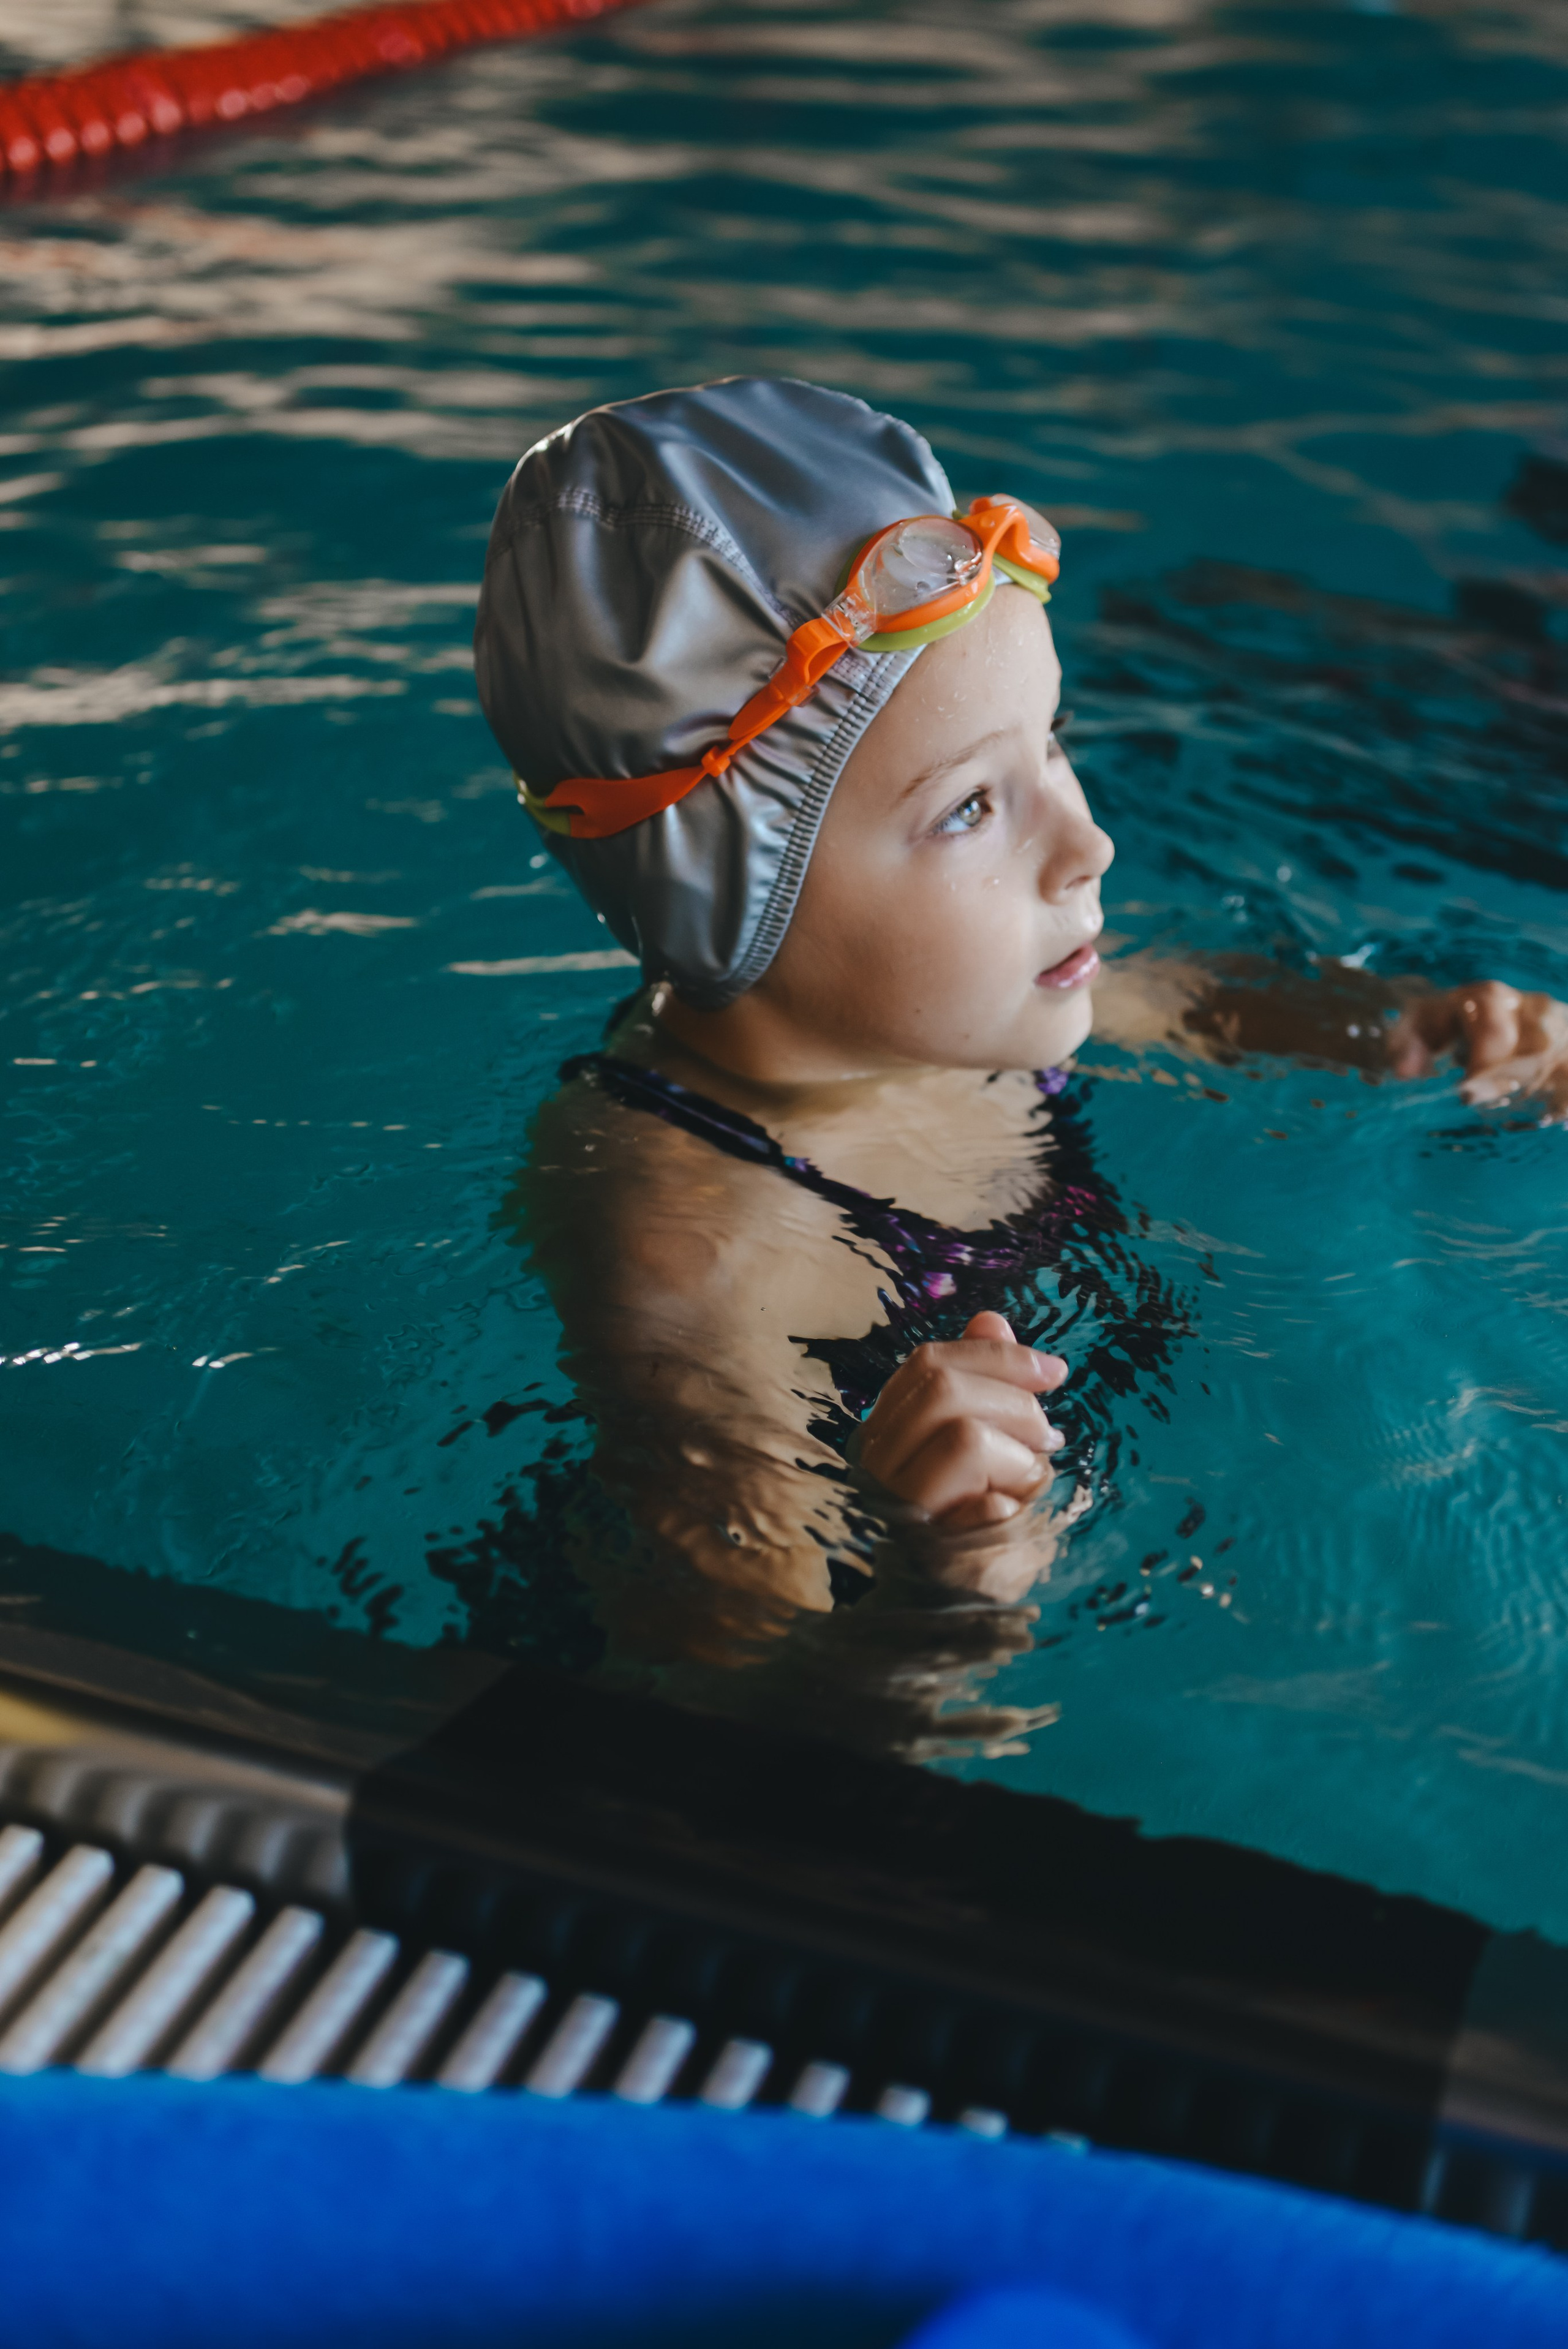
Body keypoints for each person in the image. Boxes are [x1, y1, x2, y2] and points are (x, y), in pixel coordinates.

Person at [475, 377, 1568, 1727]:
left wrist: (1434, 1030)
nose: (1088, 845)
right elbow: (742, 1736)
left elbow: (1209, 1005)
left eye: (1052, 743)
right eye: (970, 807)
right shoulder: (700, 1247)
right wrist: (945, 1585)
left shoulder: (973, 996)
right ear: (731, 887)